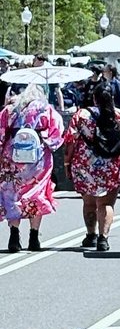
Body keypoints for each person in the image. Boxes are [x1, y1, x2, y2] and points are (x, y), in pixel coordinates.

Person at [64, 82, 120, 251]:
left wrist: (67, 164)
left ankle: (91, 235)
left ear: (94, 98)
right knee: (106, 204)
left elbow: (70, 141)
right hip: (112, 165)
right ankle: (103, 238)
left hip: (85, 165)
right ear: (111, 98)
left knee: (89, 202)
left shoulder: (81, 115)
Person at [0, 84, 64, 253]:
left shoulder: (10, 110)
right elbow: (57, 133)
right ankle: (34, 236)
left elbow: (0, 132)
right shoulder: (46, 109)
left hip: (12, 156)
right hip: (38, 157)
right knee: (36, 193)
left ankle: (14, 234)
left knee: (12, 193)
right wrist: (46, 139)